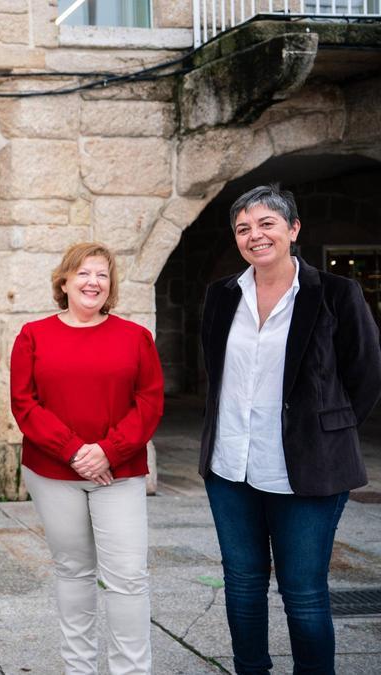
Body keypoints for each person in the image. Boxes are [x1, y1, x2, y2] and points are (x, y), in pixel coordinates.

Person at [199, 184, 381, 674]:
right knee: (242, 585)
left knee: (303, 593)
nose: (255, 235)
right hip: (230, 467)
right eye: (243, 228)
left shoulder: (336, 293)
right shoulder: (221, 296)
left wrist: (326, 432)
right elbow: (217, 373)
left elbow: (366, 373)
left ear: (293, 229)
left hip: (308, 470)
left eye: (266, 224)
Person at [9, 242, 163, 674]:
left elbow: (149, 403)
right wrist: (74, 451)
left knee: (127, 577)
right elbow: (24, 404)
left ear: (110, 285)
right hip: (53, 474)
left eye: (102, 274)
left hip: (120, 473)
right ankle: (79, 669)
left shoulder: (135, 337)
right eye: (83, 273)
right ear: (64, 281)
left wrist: (108, 452)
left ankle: (131, 671)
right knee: (73, 571)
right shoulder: (33, 335)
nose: (93, 282)